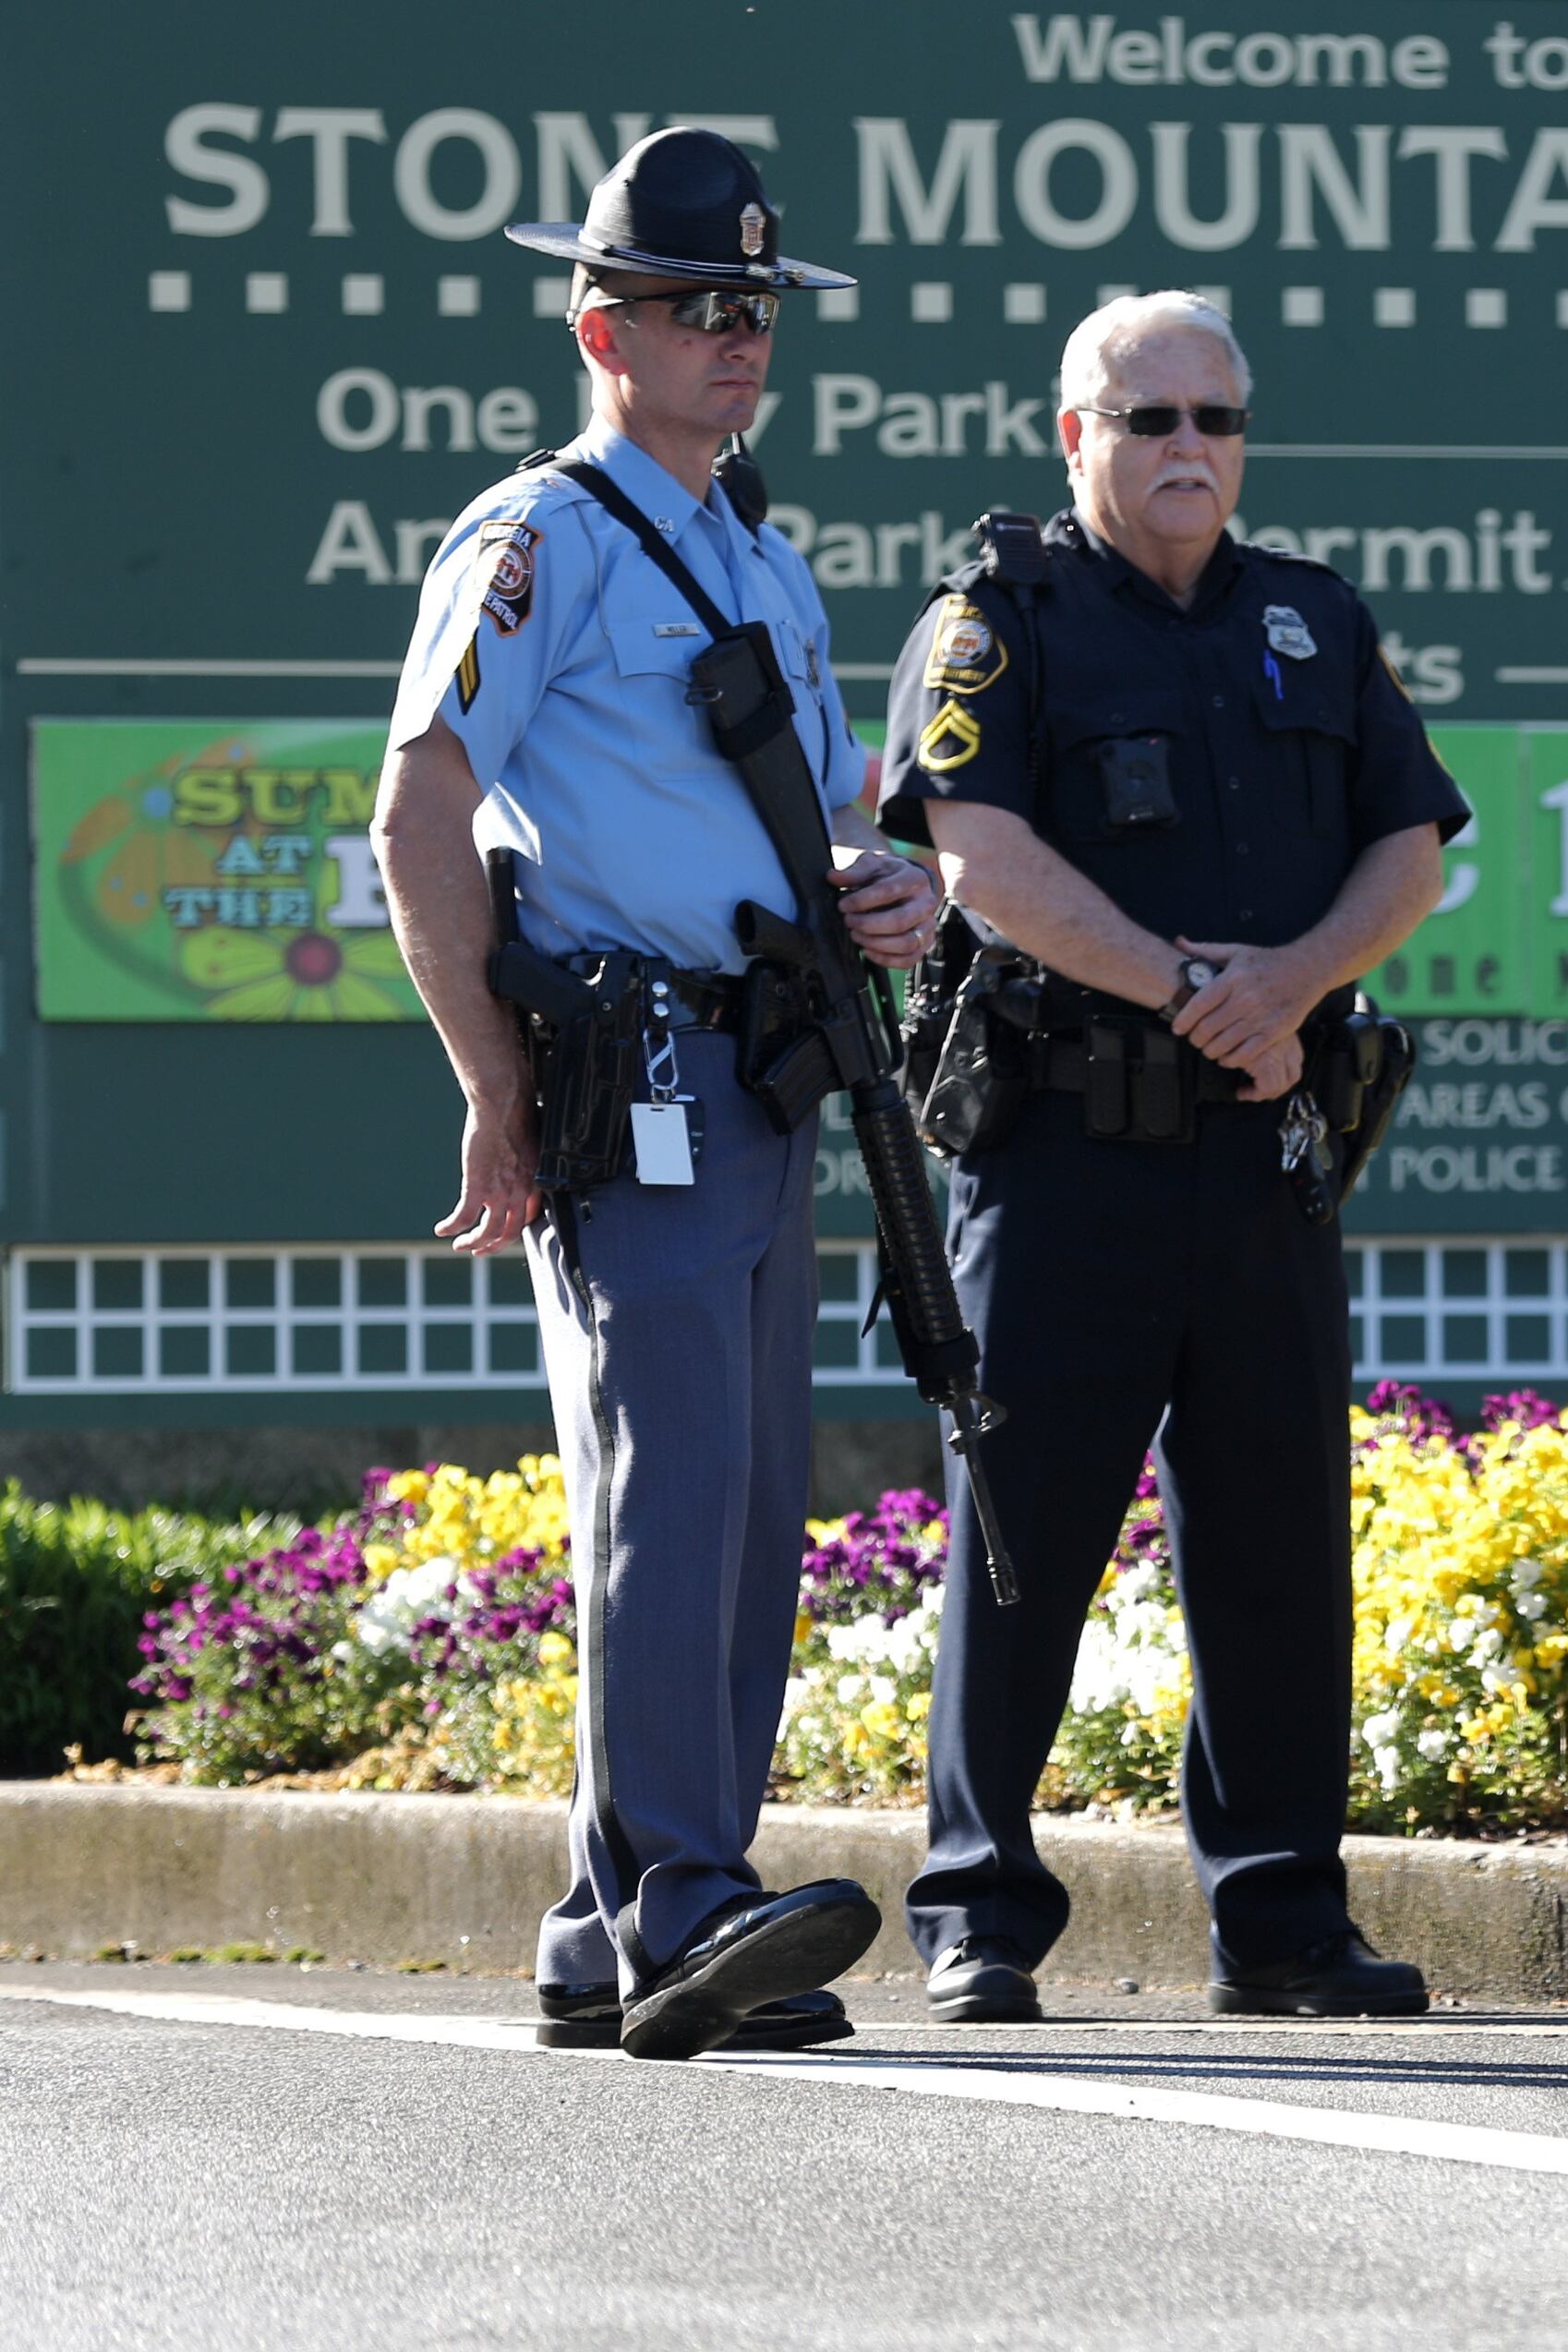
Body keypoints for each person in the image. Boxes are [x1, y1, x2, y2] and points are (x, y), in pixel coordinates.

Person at [369, 129, 939, 2059]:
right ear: (598, 322)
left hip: (771, 1056)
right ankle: (682, 1892)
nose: (738, 337)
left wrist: (901, 892)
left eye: (758, 307)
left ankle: (610, 1913)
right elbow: (420, 802)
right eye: (700, 307)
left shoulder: (759, 552)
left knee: (753, 1489)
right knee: (671, 1475)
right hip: (638, 1065)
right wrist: (488, 1078)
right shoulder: (537, 538)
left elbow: (840, 817)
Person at [878, 292, 1465, 2024]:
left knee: (1282, 1545)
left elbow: (1410, 845)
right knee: (1021, 1540)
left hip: (1267, 1145)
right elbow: (977, 852)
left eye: (1217, 417)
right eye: (1151, 421)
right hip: (1064, 1159)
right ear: (1078, 438)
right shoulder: (1003, 619)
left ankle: (1282, 1917)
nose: (1191, 447)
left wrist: (1294, 985)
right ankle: (980, 1913)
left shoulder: (1312, 617)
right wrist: (1199, 988)